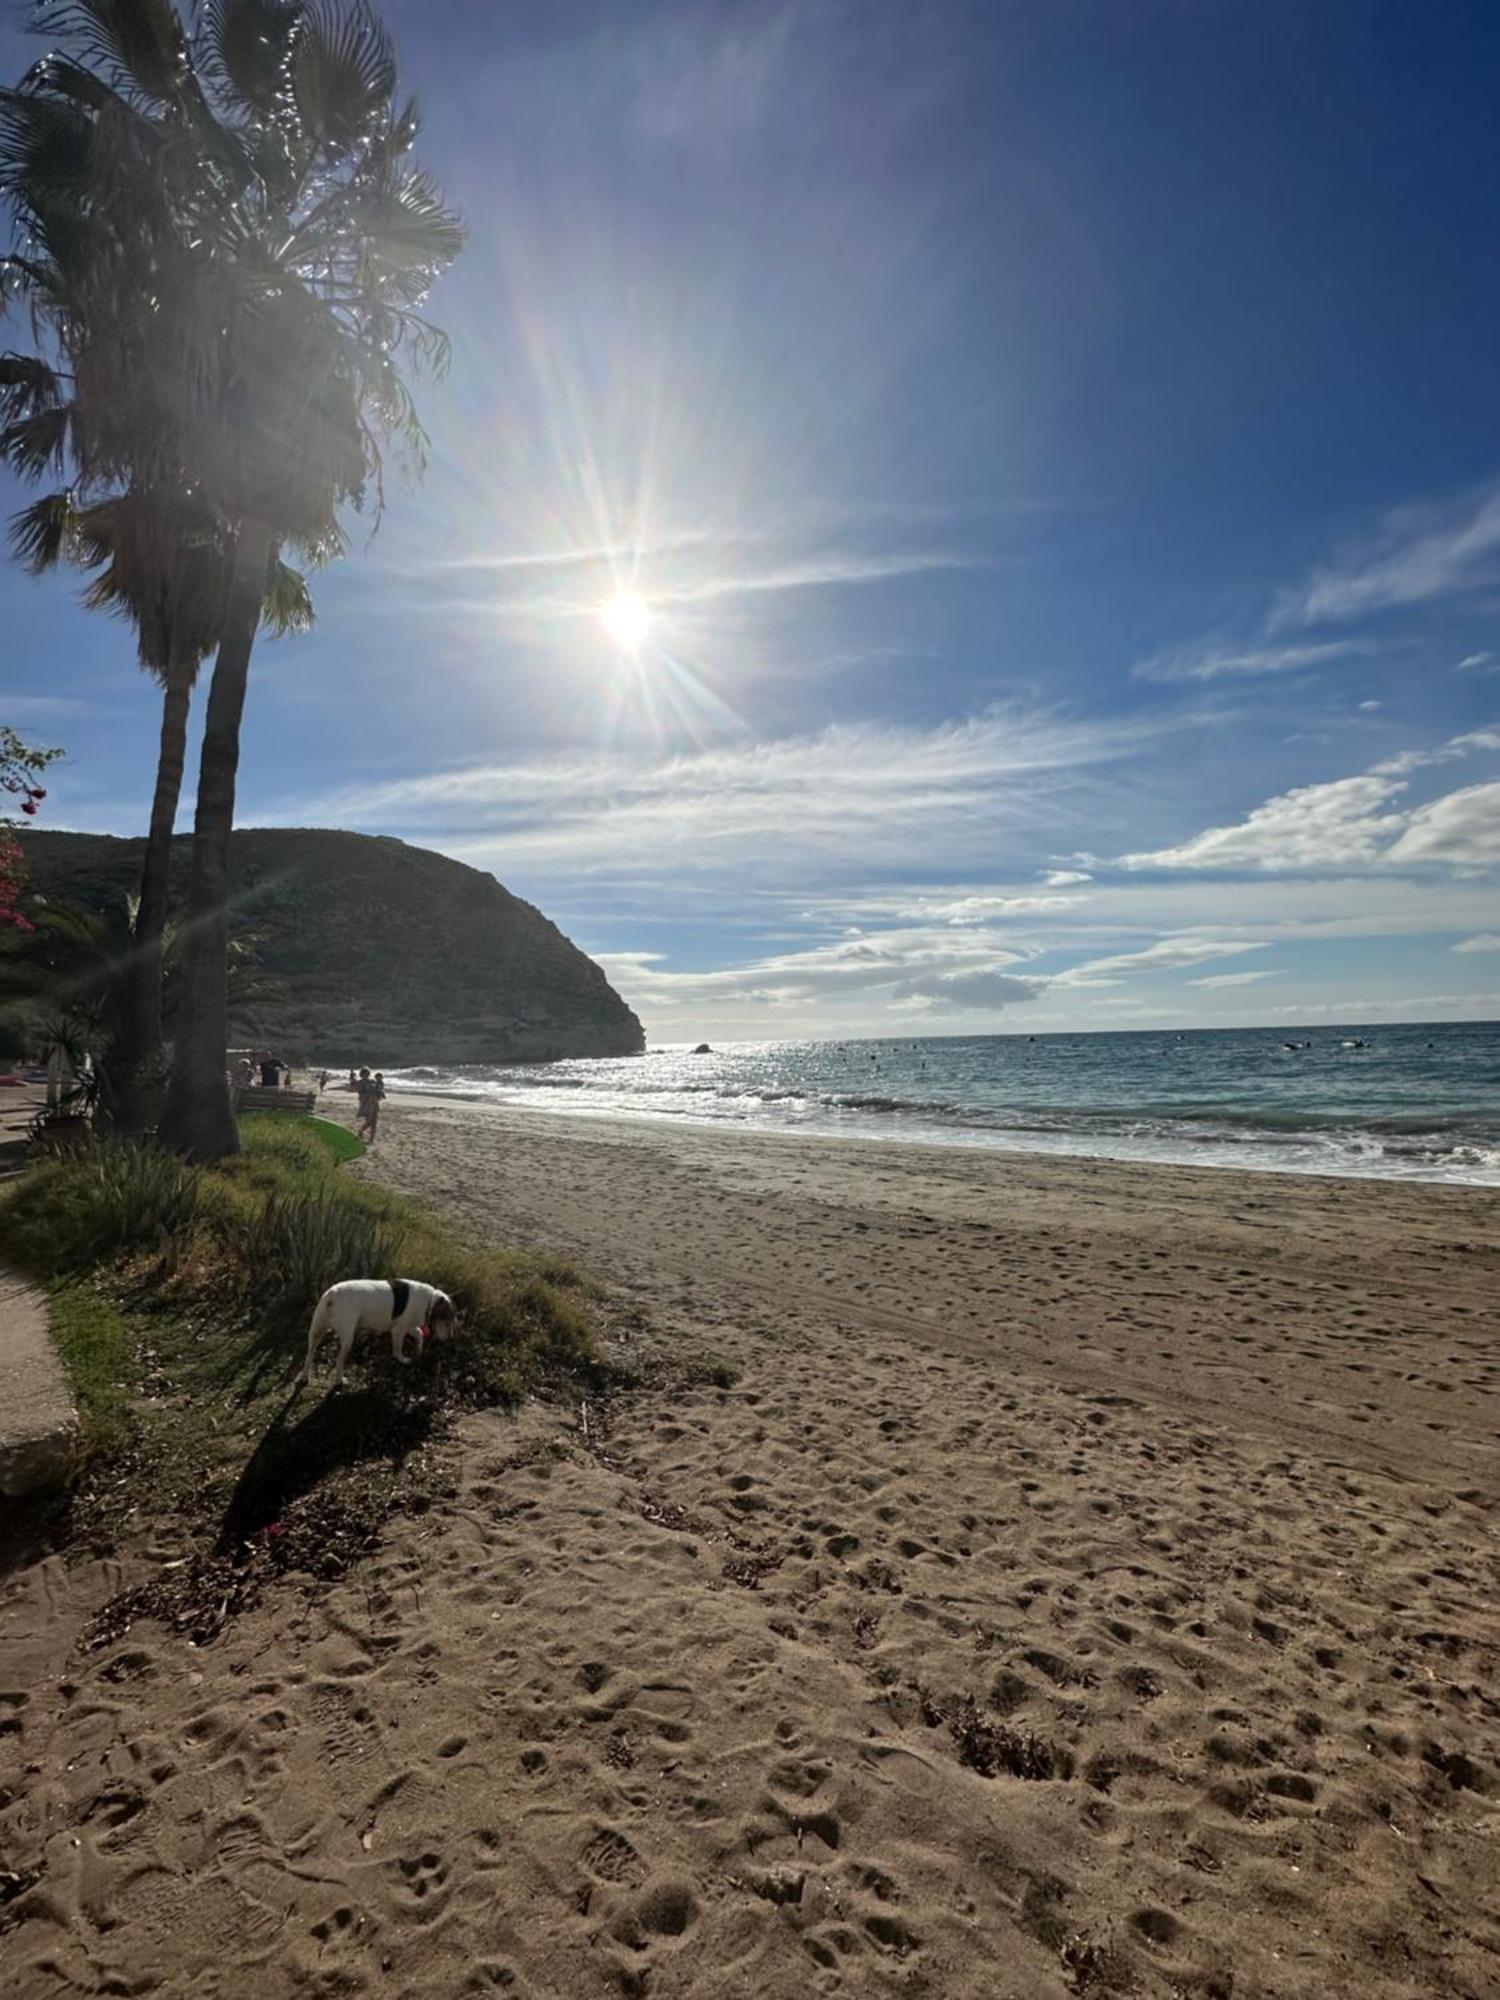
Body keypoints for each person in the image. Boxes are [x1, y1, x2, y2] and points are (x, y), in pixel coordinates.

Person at [355, 1067, 381, 1142]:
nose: (366, 1076)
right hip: (366, 1104)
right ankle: (361, 1131)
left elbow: (377, 1091)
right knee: (369, 1121)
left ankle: (372, 1139)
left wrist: (378, 1094)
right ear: (361, 1075)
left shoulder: (372, 1082)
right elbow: (361, 1093)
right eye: (365, 1074)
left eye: (367, 1074)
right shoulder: (359, 1083)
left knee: (374, 1121)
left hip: (374, 1102)